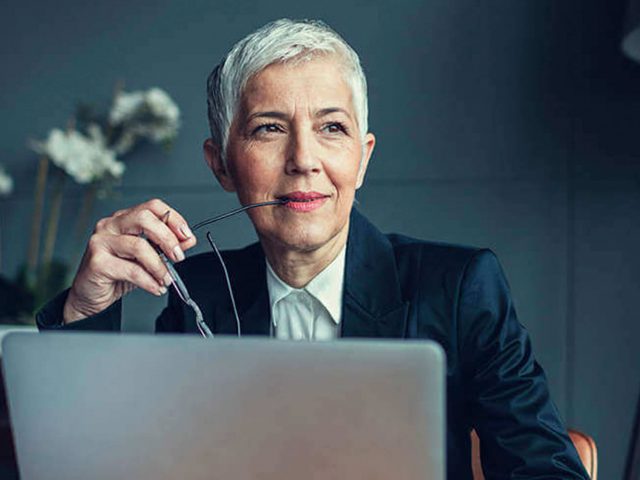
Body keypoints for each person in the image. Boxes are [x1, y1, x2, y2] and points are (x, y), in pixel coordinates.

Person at [37, 18, 589, 479]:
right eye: (270, 128)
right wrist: (86, 312)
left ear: (363, 158)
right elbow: (103, 462)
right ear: (221, 165)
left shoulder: (462, 287)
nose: (304, 159)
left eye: (331, 128)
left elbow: (546, 470)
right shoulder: (197, 293)